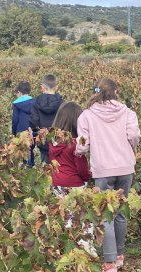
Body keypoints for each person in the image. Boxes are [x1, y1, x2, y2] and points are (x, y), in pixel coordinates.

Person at [76, 78, 141, 272]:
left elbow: (83, 144)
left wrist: (79, 152)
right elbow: (134, 136)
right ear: (116, 91)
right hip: (125, 167)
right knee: (120, 211)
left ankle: (110, 263)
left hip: (103, 168)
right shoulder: (128, 112)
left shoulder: (86, 115)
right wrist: (131, 150)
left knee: (105, 214)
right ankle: (119, 256)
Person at [50, 101, 95, 257]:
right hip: (75, 185)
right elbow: (81, 169)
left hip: (56, 184)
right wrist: (88, 177)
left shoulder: (53, 142)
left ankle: (63, 245)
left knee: (63, 214)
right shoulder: (76, 144)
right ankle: (85, 245)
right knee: (83, 217)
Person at [29, 74, 63, 164]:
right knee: (59, 168)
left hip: (43, 141)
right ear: (56, 87)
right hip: (59, 141)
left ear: (42, 87)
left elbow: (33, 122)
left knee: (46, 171)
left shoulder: (36, 102)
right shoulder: (62, 103)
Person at [12, 81, 35, 167]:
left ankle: (23, 171)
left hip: (20, 133)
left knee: (21, 153)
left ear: (19, 92)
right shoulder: (35, 102)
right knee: (30, 151)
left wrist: (14, 133)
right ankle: (31, 168)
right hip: (32, 132)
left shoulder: (17, 104)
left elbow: (15, 120)